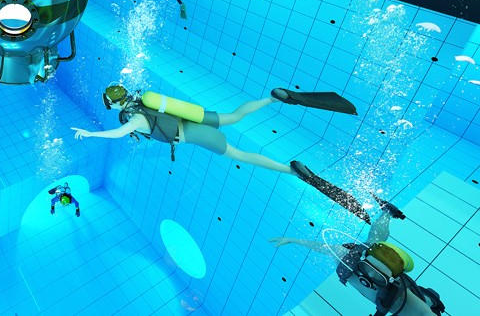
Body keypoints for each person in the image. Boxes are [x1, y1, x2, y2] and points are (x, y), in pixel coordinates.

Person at [73, 85, 370, 223]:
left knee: (240, 155)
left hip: (193, 134)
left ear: (114, 104)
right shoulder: (143, 99)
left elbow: (119, 134)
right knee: (234, 116)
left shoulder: (135, 118)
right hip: (195, 118)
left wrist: (90, 134)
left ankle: (290, 170)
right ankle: (273, 98)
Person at [270, 197, 445, 316]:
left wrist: (292, 240)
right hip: (386, 288)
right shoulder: (351, 256)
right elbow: (322, 247)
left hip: (389, 292)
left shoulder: (345, 258)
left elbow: (320, 247)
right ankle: (387, 212)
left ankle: (387, 213)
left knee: (374, 241)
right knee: (374, 241)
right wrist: (292, 240)